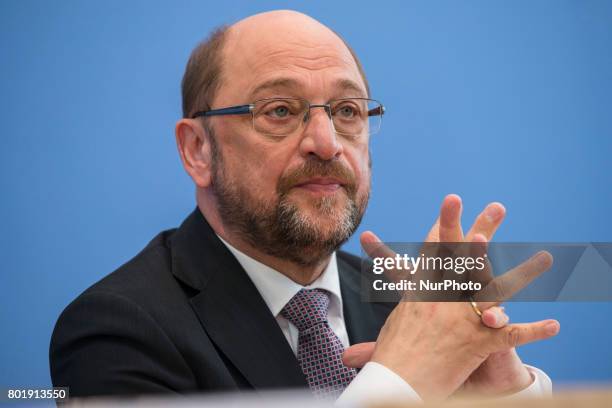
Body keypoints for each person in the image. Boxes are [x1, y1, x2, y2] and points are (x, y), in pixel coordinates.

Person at [49, 10, 560, 404]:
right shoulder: (117, 330)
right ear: (197, 150)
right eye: (279, 111)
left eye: (347, 111)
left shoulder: (408, 309)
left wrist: (501, 394)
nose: (326, 142)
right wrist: (396, 385)